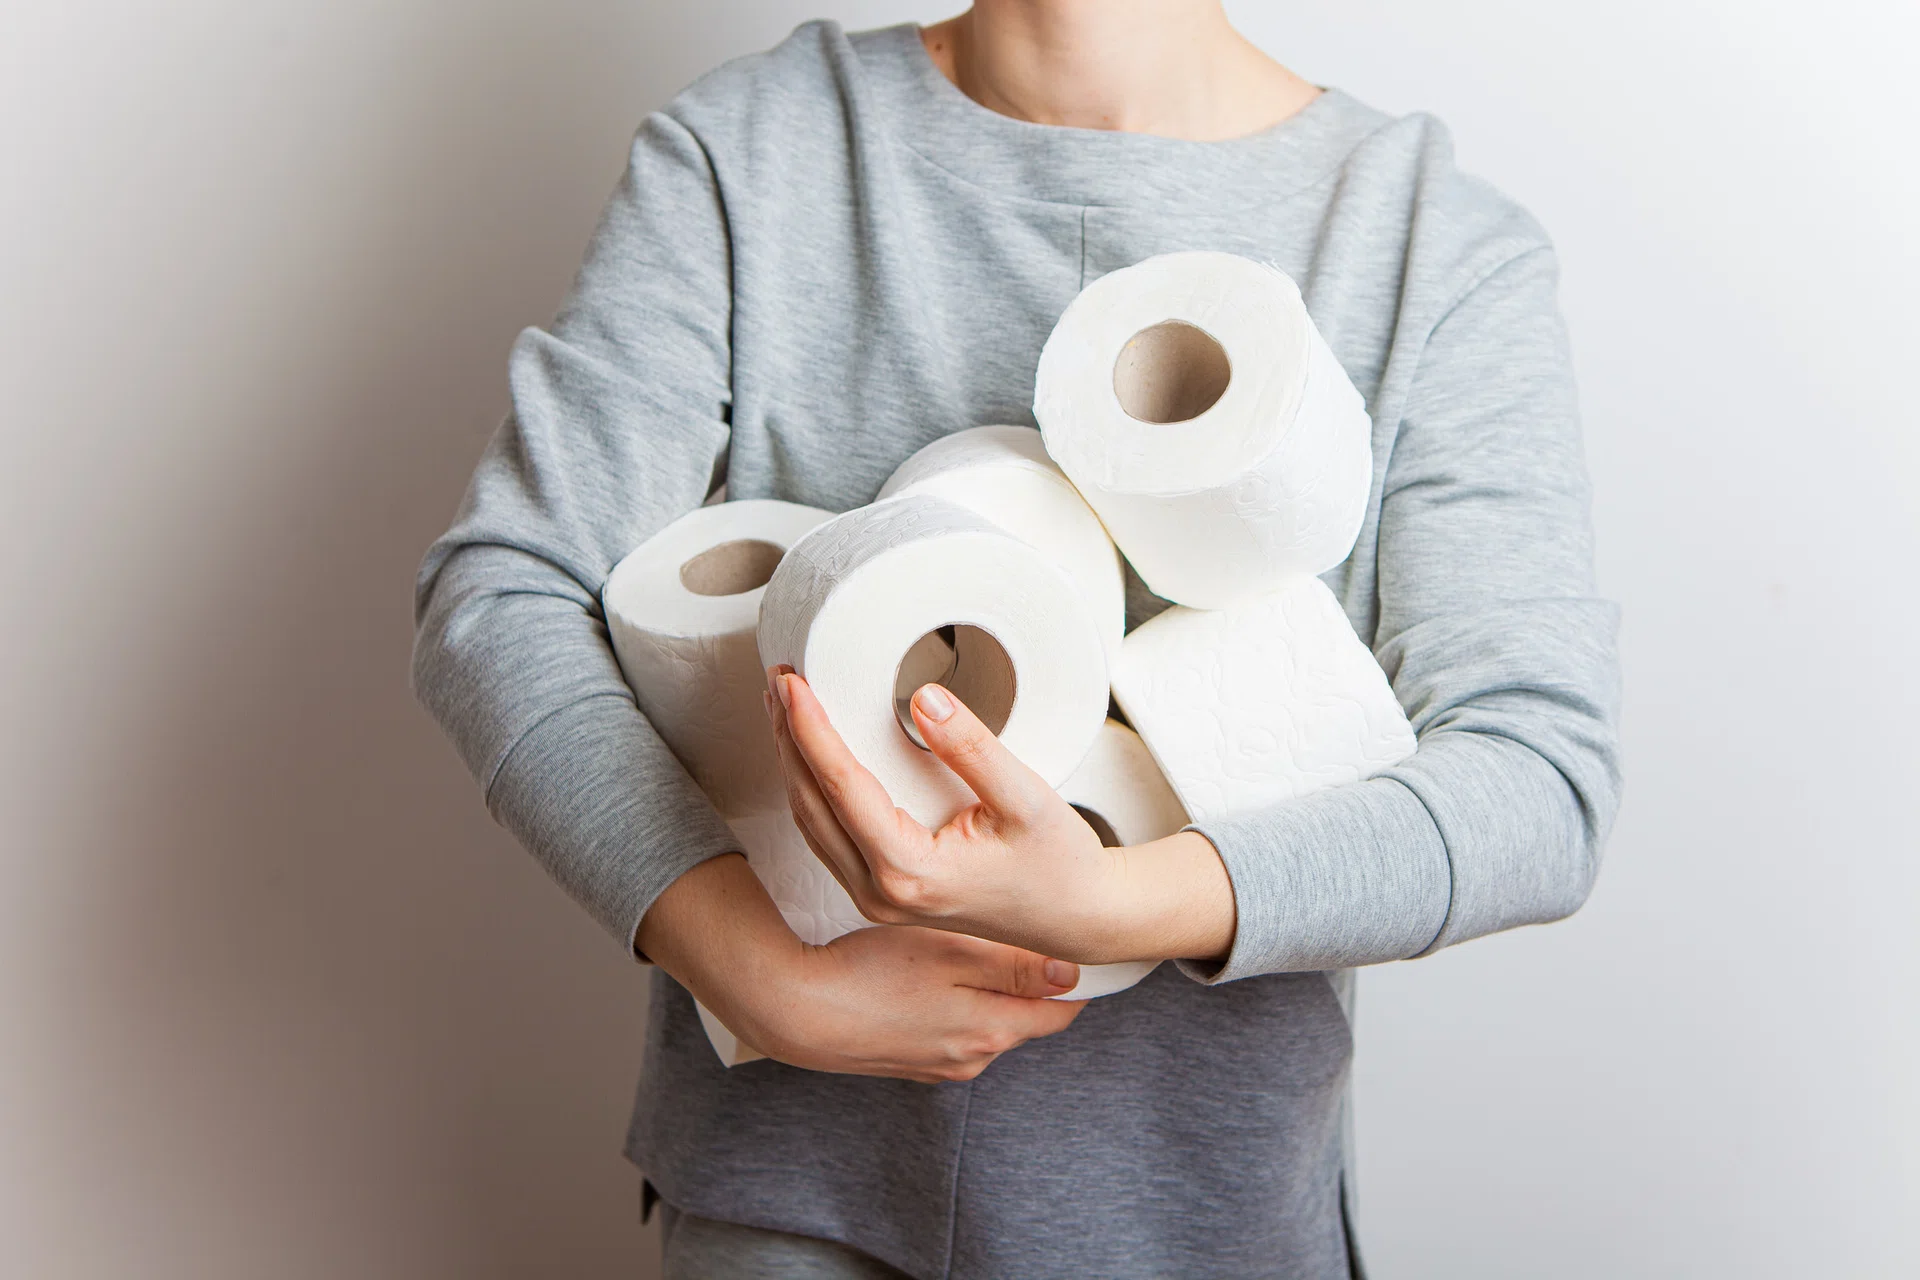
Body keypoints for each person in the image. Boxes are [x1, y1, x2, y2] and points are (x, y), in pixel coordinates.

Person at [411, 2, 1622, 1276]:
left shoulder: (1427, 241)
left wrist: (1109, 902)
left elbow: (1535, 774)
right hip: (792, 1210)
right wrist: (749, 964)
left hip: (1203, 1224)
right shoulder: (753, 151)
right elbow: (504, 591)